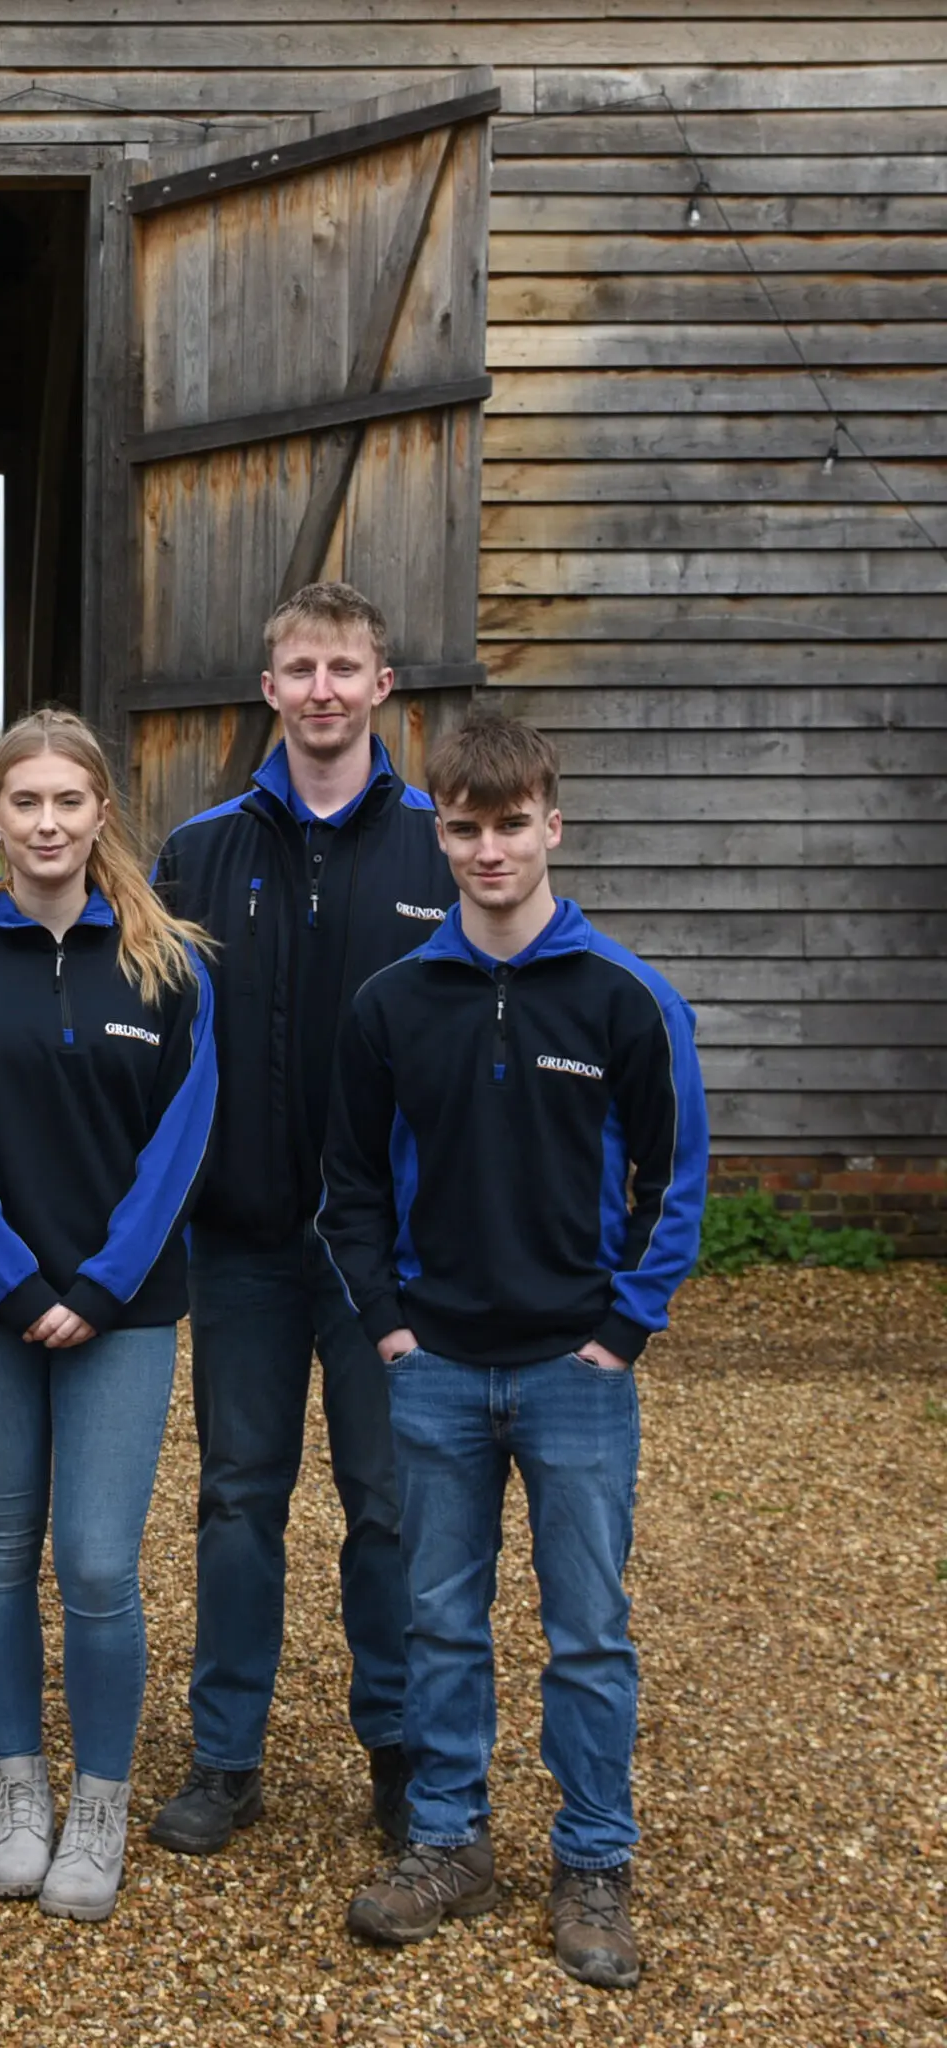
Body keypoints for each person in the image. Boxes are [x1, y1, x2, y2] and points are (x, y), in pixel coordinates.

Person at [319, 713, 705, 1991]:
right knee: (439, 1620)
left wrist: (620, 1328)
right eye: (464, 826)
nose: (489, 847)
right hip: (431, 1364)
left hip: (572, 1373)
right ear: (442, 832)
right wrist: (386, 1318)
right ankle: (448, 1842)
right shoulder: (391, 1002)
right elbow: (352, 1183)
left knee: (587, 1629)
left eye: (510, 822)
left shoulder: (627, 996)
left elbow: (676, 1172)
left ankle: (593, 1857)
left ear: (554, 822)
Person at [0, 709, 217, 1923]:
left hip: (121, 1312)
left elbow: (180, 1143)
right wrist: (20, 1285)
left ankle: (102, 1796)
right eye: (22, 802)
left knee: (94, 1561)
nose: (44, 823)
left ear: (100, 814)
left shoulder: (169, 964)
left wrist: (95, 1288)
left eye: (66, 802)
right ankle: (17, 1784)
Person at [147, 581, 453, 1857]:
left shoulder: (445, 843)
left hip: (390, 1261)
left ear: (384, 686)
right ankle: (227, 1757)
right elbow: (147, 1044)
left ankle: (397, 1749)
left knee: (391, 1508)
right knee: (236, 1498)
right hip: (247, 1243)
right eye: (299, 669)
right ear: (265, 688)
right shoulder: (199, 852)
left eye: (345, 667)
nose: (321, 690)